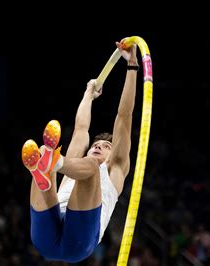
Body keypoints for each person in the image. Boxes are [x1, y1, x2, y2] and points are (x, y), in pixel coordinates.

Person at [21, 38, 138, 263]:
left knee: (89, 169)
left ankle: (50, 165)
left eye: (106, 147)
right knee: (56, 169)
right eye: (96, 144)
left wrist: (132, 66)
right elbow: (81, 128)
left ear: (113, 155)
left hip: (80, 242)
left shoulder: (115, 168)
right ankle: (43, 170)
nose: (97, 146)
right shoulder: (78, 162)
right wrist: (88, 94)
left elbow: (124, 117)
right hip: (46, 234)